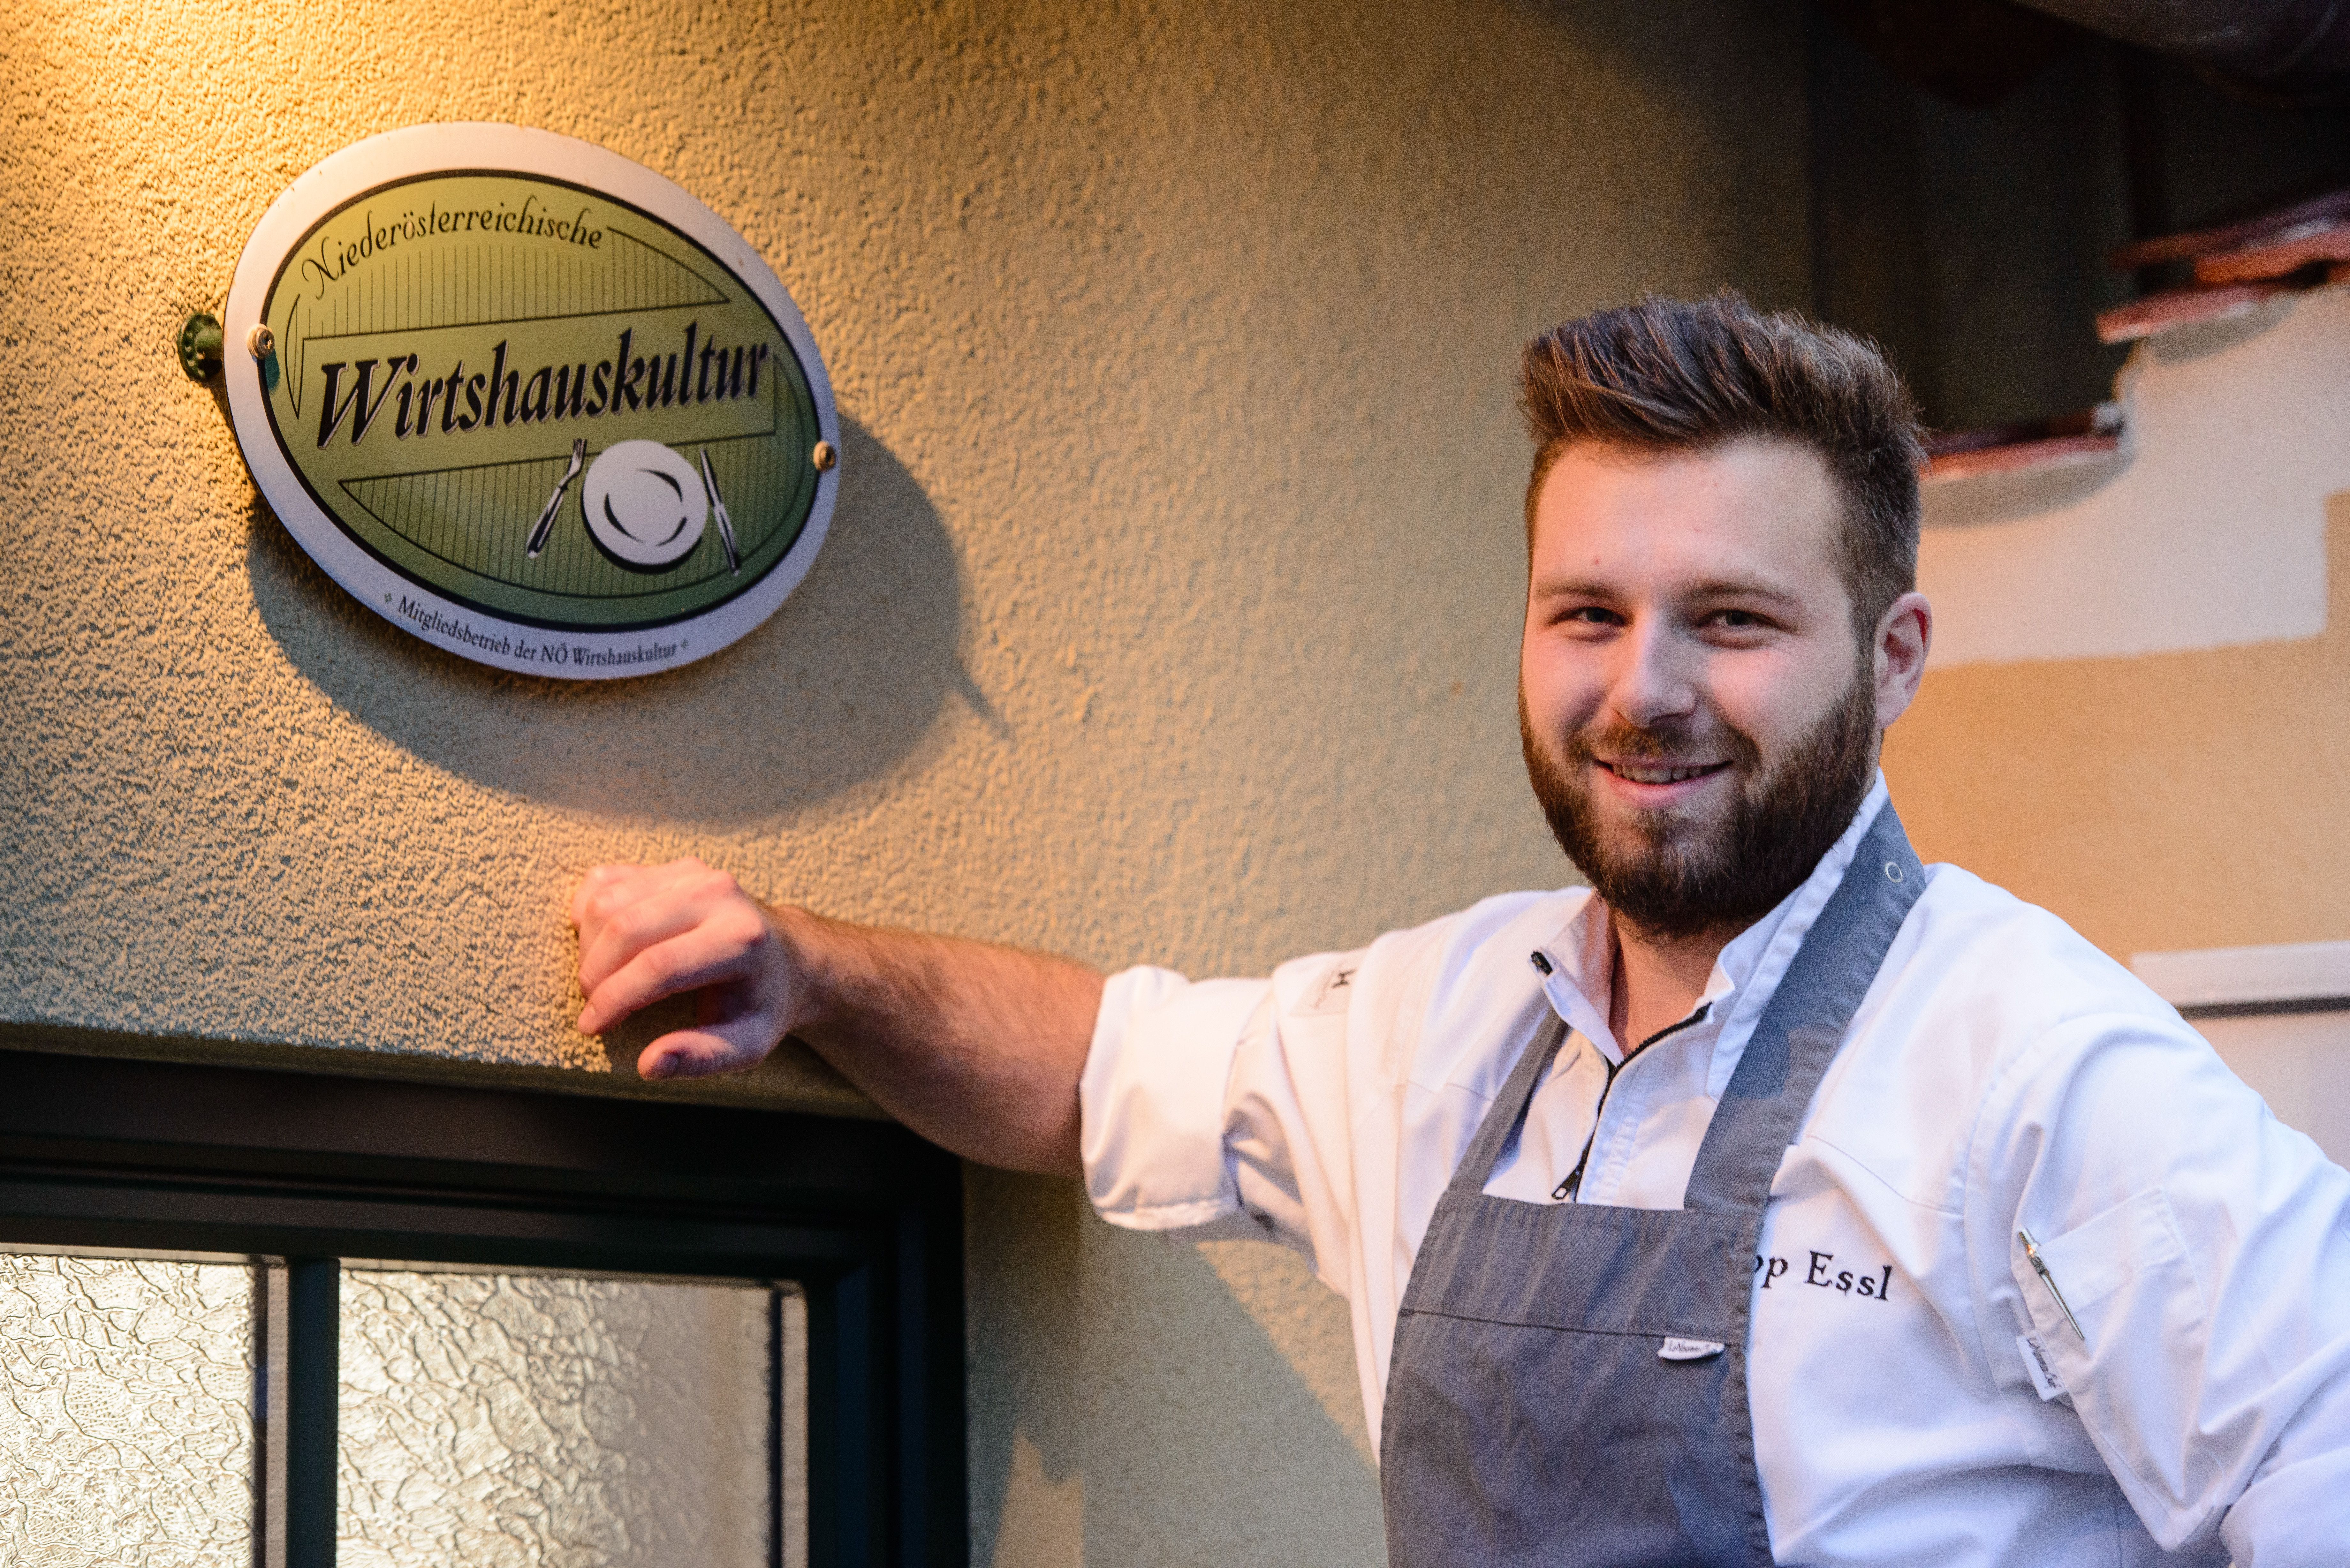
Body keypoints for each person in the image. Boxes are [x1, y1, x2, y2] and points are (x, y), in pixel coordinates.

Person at [568, 294, 2350, 1564]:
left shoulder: (2044, 1073)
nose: (1644, 690)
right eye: (1588, 611)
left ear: (1892, 660)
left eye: (1731, 618)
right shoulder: (1435, 1022)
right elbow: (1098, 1068)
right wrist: (809, 966)